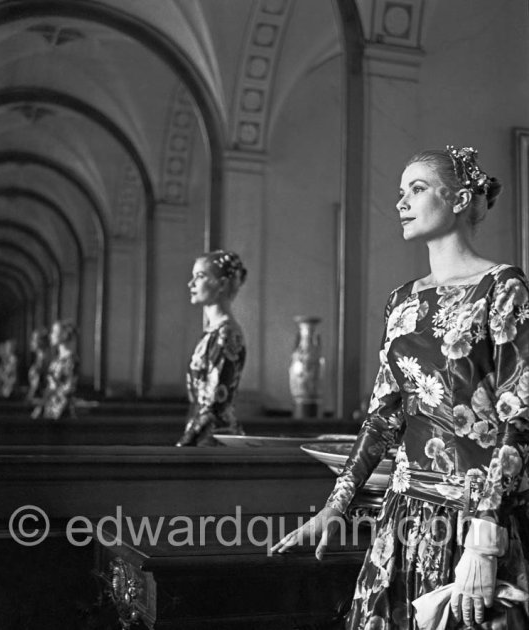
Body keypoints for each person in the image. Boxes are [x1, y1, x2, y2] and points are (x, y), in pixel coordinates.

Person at [271, 146, 529, 628]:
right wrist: (335, 507)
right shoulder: (402, 300)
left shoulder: (503, 287)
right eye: (399, 192)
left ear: (458, 198)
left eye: (417, 188)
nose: (401, 203)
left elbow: (520, 416)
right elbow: (384, 416)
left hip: (475, 519)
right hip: (404, 517)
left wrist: (485, 539)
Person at [176, 249, 247, 447]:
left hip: (214, 439)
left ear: (222, 284)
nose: (191, 284)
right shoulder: (213, 333)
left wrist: (185, 444)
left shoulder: (226, 335)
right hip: (203, 436)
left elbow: (214, 405)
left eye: (199, 276)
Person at [32, 319, 78, 420]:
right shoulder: (56, 360)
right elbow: (50, 387)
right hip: (50, 408)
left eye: (54, 332)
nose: (51, 335)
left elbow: (69, 388)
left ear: (63, 335)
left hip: (61, 411)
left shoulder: (71, 360)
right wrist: (41, 406)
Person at [26, 328, 51, 404]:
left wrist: (29, 399)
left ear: (41, 342)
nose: (31, 342)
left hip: (41, 401)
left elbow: (37, 386)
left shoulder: (43, 361)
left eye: (34, 339)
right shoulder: (39, 358)